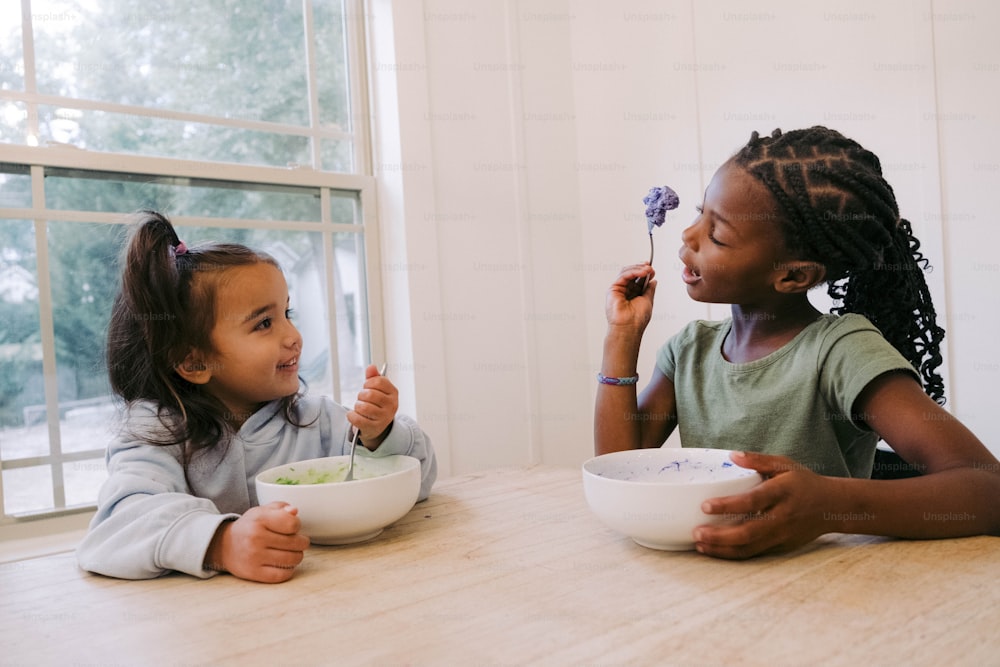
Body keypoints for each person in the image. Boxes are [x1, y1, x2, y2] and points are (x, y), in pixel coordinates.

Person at [595, 126, 1000, 559]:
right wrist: (622, 336)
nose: (688, 236)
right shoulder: (689, 350)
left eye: (717, 235)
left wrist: (830, 507)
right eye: (699, 213)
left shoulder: (841, 351)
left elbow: (986, 488)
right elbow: (621, 470)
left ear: (792, 275)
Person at [77, 211, 437, 582]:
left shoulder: (318, 421)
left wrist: (379, 436)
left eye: (287, 312)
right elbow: (114, 529)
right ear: (194, 361)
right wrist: (222, 543)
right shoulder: (155, 433)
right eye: (264, 323)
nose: (293, 335)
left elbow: (422, 481)